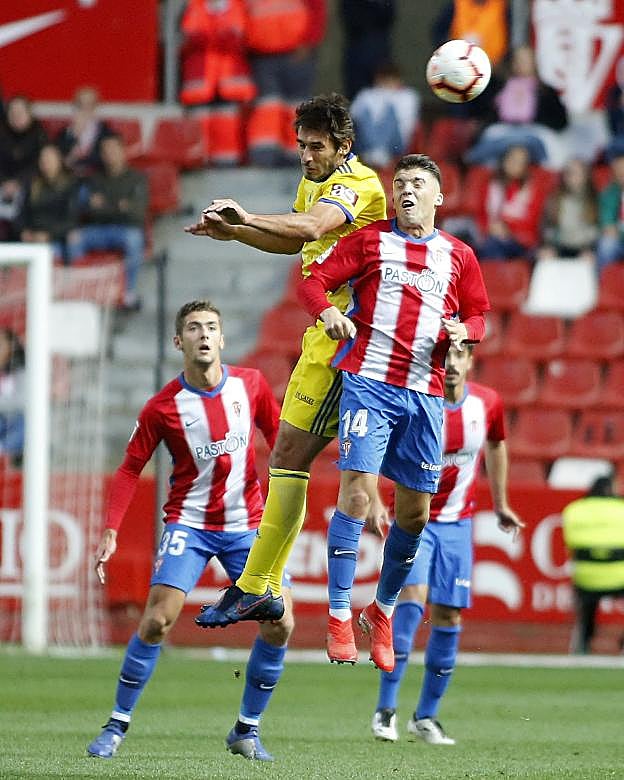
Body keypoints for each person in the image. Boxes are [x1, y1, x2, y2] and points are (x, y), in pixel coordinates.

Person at [186, 93, 387, 629]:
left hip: (351, 336)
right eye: (300, 145)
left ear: (343, 146)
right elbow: (296, 246)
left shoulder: (356, 184)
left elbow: (314, 228)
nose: (305, 155)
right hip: (323, 334)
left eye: (315, 146)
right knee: (286, 456)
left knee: (293, 454)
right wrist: (237, 233)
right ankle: (262, 588)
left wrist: (248, 215)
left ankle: (258, 587)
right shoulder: (316, 181)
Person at [296, 153, 490, 672]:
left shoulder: (459, 256)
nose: (406, 190)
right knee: (357, 491)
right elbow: (312, 280)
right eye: (400, 182)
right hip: (369, 383)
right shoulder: (369, 241)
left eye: (418, 183)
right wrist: (329, 311)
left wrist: (463, 332)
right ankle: (338, 615)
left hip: (424, 395)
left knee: (414, 514)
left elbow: (478, 315)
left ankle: (380, 612)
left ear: (438, 196)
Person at [86, 300, 293, 762]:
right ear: (178, 342)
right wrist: (111, 530)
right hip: (191, 523)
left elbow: (278, 439)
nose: (204, 334)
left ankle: (246, 729)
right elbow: (128, 469)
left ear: (222, 339)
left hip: (249, 525)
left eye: (212, 327)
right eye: (195, 328)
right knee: (158, 619)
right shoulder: (163, 407)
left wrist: (285, 503)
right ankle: (117, 725)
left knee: (281, 622)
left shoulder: (252, 385)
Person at [370, 344, 524, 745]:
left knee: (450, 617)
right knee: (412, 602)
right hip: (413, 520)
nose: (451, 363)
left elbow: (496, 444)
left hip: (458, 524)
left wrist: (502, 503)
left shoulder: (487, 404)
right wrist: (372, 499)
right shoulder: (414, 402)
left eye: (459, 355)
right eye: (445, 355)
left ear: (470, 360)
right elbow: (373, 448)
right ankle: (385, 710)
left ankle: (427, 717)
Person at [67, 133, 147, 311]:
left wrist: (103, 206)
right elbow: (87, 210)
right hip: (97, 229)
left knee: (135, 239)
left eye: (113, 149)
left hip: (124, 231)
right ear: (101, 154)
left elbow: (136, 213)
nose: (109, 154)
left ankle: (128, 293)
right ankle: (80, 290)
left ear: (122, 151)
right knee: (75, 238)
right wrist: (119, 206)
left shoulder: (137, 178)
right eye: (105, 150)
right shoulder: (94, 178)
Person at [562, 475, 624, 655]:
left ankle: (583, 640)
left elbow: (571, 542)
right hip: (620, 576)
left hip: (586, 577)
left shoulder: (574, 510)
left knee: (587, 605)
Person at [477, 143, 549, 261]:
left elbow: (533, 223)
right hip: (490, 236)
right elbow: (481, 215)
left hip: (522, 241)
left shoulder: (532, 189)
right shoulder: (491, 185)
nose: (514, 164)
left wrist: (507, 230)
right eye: (512, 159)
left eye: (520, 162)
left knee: (493, 246)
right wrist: (489, 228)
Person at [351, 62, 420, 169]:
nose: (387, 82)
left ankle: (379, 151)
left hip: (396, 142)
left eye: (391, 79)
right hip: (366, 143)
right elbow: (354, 117)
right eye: (384, 79)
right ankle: (375, 151)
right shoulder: (366, 94)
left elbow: (407, 123)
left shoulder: (408, 95)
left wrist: (387, 96)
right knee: (364, 113)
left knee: (390, 111)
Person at [17, 144, 79, 261]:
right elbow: (21, 214)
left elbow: (71, 220)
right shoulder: (31, 185)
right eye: (43, 159)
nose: (46, 162)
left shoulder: (70, 186)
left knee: (49, 254)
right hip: (32, 239)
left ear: (59, 161)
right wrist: (23, 231)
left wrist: (48, 235)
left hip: (56, 240)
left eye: (50, 159)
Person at [0, 95, 48, 241]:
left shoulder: (39, 134)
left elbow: (41, 165)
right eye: (13, 112)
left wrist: (19, 182)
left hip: (28, 186)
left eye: (21, 112)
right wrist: (4, 182)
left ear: (29, 113)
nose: (16, 116)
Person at [538, 158, 599, 262]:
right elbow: (546, 228)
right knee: (545, 256)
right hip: (559, 247)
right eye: (569, 173)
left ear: (586, 176)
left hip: (584, 248)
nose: (572, 177)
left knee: (589, 260)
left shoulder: (595, 200)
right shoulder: (554, 199)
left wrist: (589, 248)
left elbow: (598, 230)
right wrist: (549, 247)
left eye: (577, 173)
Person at [56, 86, 114, 178]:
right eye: (80, 104)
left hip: (98, 180)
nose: (85, 108)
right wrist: (74, 136)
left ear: (96, 106)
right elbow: (56, 165)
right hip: (70, 181)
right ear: (74, 106)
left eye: (89, 104)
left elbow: (110, 162)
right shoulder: (64, 134)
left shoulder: (107, 132)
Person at [595, 150, 624, 274]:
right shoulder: (609, 194)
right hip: (618, 242)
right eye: (618, 171)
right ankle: (601, 285)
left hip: (619, 234)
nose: (622, 174)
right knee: (606, 245)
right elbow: (607, 225)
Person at [0, 327, 25, 467]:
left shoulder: (22, 370)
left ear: (11, 347)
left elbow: (22, 401)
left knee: (25, 422)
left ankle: (3, 447)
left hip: (15, 421)